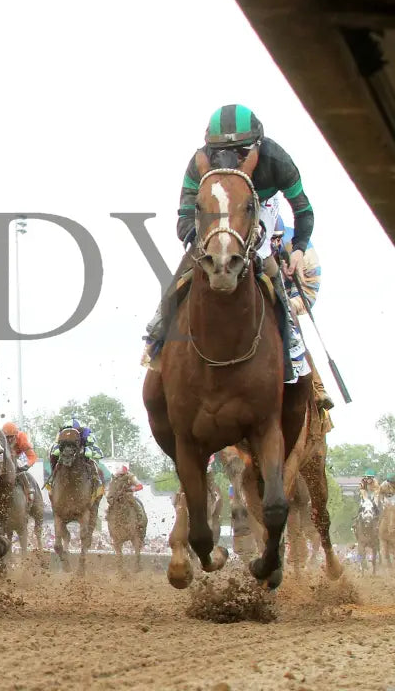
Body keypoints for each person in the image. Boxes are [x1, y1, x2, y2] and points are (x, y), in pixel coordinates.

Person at [141, 104, 314, 385]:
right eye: (221, 151)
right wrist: (203, 243)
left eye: (241, 151)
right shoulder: (200, 161)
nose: (230, 158)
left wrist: (299, 248)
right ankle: (159, 330)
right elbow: (185, 215)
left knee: (267, 264)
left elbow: (303, 209)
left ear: (257, 143)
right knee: (187, 268)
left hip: (260, 208)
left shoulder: (276, 159)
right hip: (215, 217)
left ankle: (289, 343)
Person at [269, 215, 333, 413]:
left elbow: (309, 287)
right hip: (265, 289)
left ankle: (316, 386)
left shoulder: (298, 248)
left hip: (298, 292)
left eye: (276, 239)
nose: (272, 244)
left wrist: (287, 303)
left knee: (287, 318)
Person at [47, 418, 107, 495]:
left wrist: (85, 450)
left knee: (93, 463)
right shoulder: (60, 435)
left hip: (82, 457)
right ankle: (52, 478)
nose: (69, 435)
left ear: (79, 431)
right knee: (53, 456)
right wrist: (58, 451)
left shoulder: (87, 434)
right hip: (65, 456)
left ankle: (97, 482)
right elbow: (53, 450)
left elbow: (100, 454)